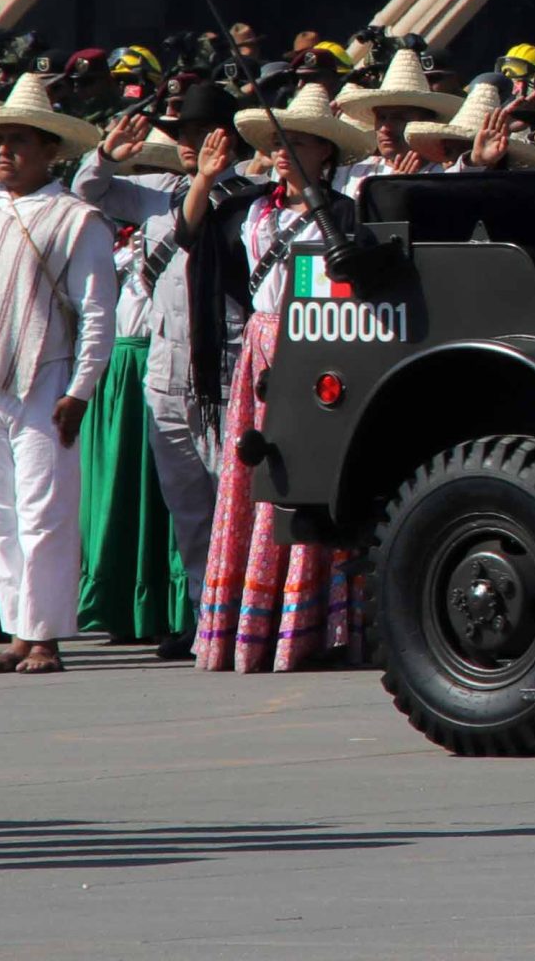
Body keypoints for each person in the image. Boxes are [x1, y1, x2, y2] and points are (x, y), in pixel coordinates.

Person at [183, 85, 370, 673]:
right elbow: (195, 239)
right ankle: (252, 626)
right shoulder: (253, 207)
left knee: (308, 479)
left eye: (297, 142)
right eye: (275, 143)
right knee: (254, 481)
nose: (281, 152)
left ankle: (314, 626)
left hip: (317, 349)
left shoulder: (344, 214)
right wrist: (205, 180)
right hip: (262, 347)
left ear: (326, 155)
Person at [74, 83, 250, 659]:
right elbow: (87, 191)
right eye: (182, 136)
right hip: (164, 372)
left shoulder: (250, 199)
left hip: (223, 369)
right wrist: (106, 155)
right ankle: (204, 616)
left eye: (200, 135)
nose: (188, 146)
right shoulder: (156, 193)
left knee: (233, 501)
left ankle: (243, 614)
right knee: (187, 507)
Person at [0, 77, 116, 676]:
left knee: (45, 510)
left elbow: (98, 312)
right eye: (0, 140)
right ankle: (18, 628)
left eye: (18, 140)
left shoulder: (77, 219)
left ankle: (45, 636)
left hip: (45, 379)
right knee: (3, 514)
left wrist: (80, 390)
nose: (4, 151)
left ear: (48, 151)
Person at [334, 47, 462, 192]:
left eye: (399, 118)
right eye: (381, 117)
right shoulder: (349, 174)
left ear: (425, 121)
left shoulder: (445, 177)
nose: (385, 128)